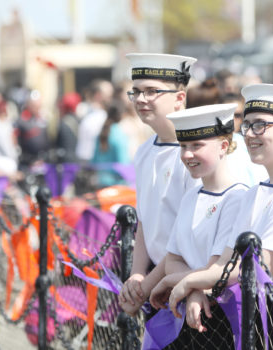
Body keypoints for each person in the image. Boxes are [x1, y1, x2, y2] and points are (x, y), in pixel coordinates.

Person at [166, 83, 273, 330]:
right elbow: (226, 262)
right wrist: (189, 283)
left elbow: (260, 267)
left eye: (260, 125)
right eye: (246, 125)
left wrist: (182, 282)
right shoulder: (255, 192)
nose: (248, 133)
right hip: (268, 312)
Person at [148, 104, 248, 347]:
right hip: (186, 309)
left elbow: (217, 268)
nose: (187, 155)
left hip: (220, 318)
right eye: (183, 146)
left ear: (224, 146)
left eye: (196, 146)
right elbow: (172, 259)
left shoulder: (237, 197)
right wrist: (190, 288)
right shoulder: (192, 196)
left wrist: (175, 282)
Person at [118, 53, 199, 316]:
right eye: (137, 92)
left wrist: (143, 289)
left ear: (179, 98)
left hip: (187, 285)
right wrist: (137, 276)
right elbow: (145, 222)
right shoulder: (144, 151)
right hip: (156, 283)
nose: (141, 99)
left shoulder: (194, 154)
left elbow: (185, 236)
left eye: (152, 91)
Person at [91, 102, 130, 187]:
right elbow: (122, 164)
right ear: (122, 115)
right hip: (116, 185)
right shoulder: (120, 135)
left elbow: (94, 161)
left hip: (100, 182)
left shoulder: (102, 132)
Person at [75, 79, 114, 162]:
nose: (112, 98)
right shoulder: (97, 116)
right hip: (94, 165)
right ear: (98, 95)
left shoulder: (91, 114)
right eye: (109, 95)